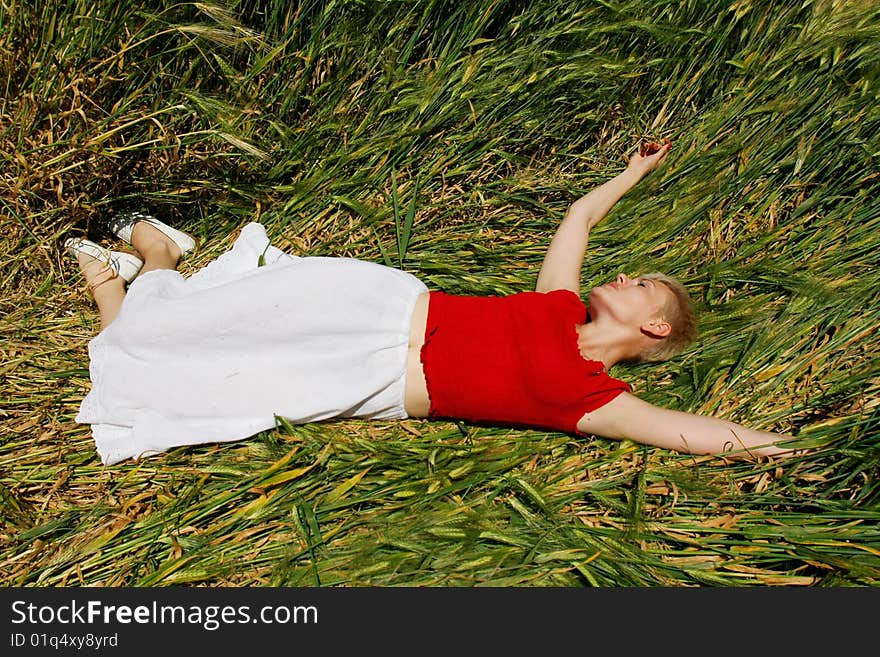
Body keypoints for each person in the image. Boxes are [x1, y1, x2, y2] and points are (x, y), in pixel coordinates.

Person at [66, 140, 800, 466]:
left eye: (640, 283)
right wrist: (633, 173)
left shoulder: (596, 398)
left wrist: (786, 448)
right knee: (199, 327)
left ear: (652, 324)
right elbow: (578, 220)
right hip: (374, 305)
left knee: (184, 383)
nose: (624, 276)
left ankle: (131, 272)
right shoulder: (556, 304)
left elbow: (687, 431)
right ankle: (153, 257)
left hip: (375, 380)